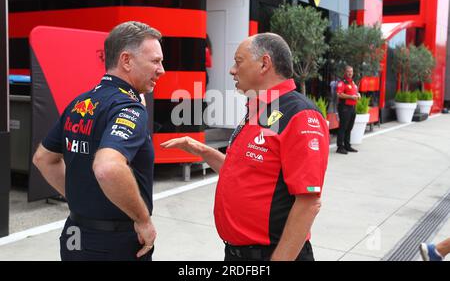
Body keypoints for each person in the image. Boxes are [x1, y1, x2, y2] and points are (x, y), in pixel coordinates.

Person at [161, 33, 329, 261]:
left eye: (238, 62)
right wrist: (203, 151)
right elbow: (244, 173)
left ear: (264, 64)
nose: (232, 70)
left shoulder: (300, 114)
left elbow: (309, 202)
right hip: (238, 255)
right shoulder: (257, 108)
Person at [32, 21, 165, 261]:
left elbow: (44, 159)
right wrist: (143, 220)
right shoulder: (129, 108)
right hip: (116, 243)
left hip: (75, 235)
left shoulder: (80, 103)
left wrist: (80, 197)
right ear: (126, 60)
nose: (161, 70)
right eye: (155, 61)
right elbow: (107, 167)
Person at [336, 65, 360, 154]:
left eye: (351, 71)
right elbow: (339, 94)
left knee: (349, 127)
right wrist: (351, 97)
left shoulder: (353, 83)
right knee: (343, 127)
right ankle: (340, 147)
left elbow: (355, 92)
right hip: (344, 108)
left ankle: (347, 145)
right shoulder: (342, 83)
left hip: (352, 108)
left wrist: (358, 94)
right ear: (345, 72)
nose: (350, 73)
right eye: (348, 71)